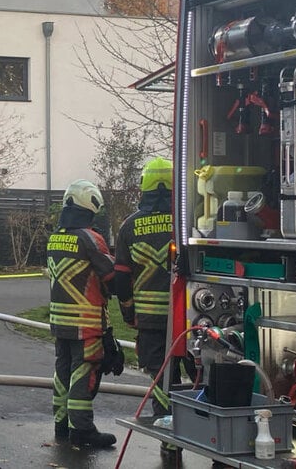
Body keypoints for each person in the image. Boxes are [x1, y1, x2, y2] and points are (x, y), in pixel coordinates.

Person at [47, 180, 117, 449]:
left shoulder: (56, 236)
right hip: (86, 322)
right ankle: (83, 430)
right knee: (83, 371)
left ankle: (61, 424)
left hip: (59, 320)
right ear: (90, 205)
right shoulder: (90, 238)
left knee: (62, 371)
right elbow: (110, 275)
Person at [115, 157, 178, 443]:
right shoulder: (187, 221)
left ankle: (168, 436)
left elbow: (121, 281)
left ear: (145, 186)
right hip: (188, 319)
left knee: (160, 376)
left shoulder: (129, 227)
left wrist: (128, 314)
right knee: (202, 374)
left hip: (151, 320)